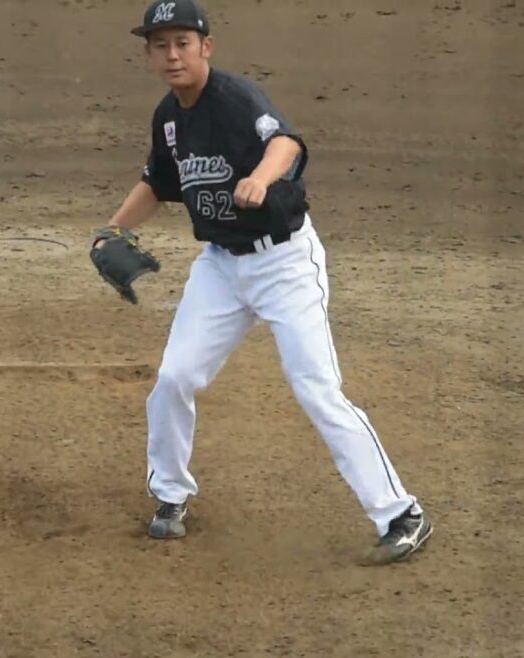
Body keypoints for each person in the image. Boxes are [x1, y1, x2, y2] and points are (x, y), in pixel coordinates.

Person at [95, 0, 432, 566]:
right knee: (174, 377)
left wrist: (259, 176)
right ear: (149, 55)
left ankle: (402, 513)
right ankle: (171, 496)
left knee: (316, 388)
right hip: (220, 268)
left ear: (206, 47)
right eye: (160, 45)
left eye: (182, 43)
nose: (172, 54)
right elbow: (157, 183)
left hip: (284, 264)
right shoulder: (169, 118)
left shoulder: (235, 98)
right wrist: (111, 229)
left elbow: (286, 144)